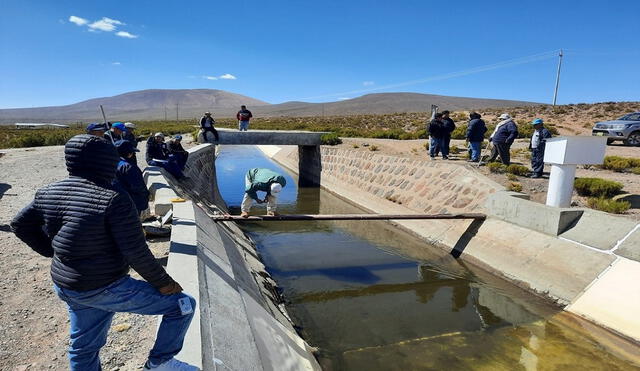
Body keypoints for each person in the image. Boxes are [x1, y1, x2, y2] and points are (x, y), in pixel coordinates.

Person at [10, 134, 197, 371]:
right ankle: (160, 363)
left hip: (67, 284)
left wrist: (52, 251)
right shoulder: (113, 198)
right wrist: (164, 283)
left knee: (83, 346)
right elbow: (135, 251)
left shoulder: (49, 191)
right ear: (106, 162)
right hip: (102, 286)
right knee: (182, 305)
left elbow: (20, 224)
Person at [115, 139, 150, 214]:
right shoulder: (128, 167)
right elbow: (138, 186)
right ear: (128, 153)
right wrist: (146, 195)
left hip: (116, 201)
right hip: (131, 201)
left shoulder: (111, 163)